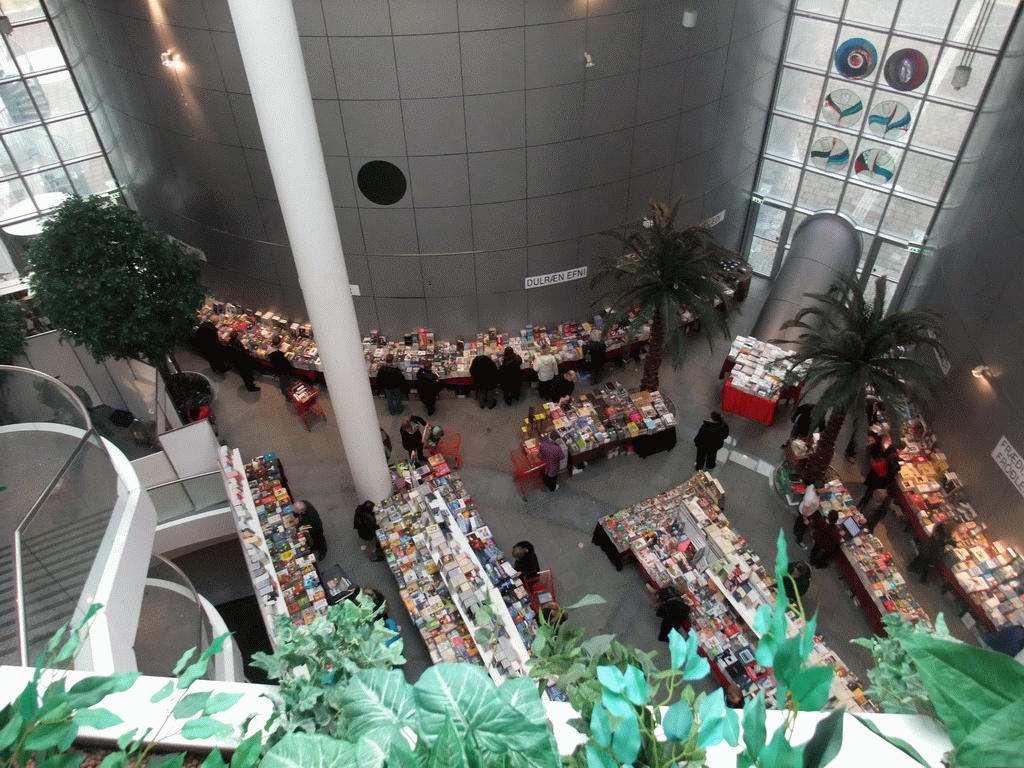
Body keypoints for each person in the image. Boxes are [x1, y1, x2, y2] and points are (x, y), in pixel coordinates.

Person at [857, 441, 899, 509]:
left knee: (868, 492)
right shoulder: (894, 467)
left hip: (873, 478)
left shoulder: (885, 460)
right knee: (870, 493)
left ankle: (861, 504)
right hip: (879, 482)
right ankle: (864, 504)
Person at [794, 482, 822, 549]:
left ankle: (795, 531)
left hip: (802, 507)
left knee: (798, 521)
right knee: (802, 528)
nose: (822, 491)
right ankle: (799, 541)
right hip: (805, 513)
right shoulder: (810, 498)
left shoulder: (812, 486)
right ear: (816, 489)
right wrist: (805, 519)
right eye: (821, 490)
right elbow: (805, 510)